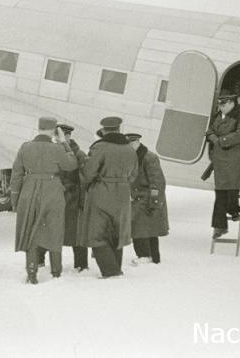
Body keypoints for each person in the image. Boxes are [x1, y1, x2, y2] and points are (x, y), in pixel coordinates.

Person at [11, 116, 78, 284]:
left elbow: (17, 174)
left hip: (29, 190)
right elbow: (71, 165)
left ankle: (32, 272)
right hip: (52, 189)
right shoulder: (57, 148)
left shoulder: (25, 147)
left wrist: (16, 200)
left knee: (31, 230)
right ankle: (56, 272)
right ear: (54, 130)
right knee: (54, 229)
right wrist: (64, 143)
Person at [78, 116, 138, 278]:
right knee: (116, 235)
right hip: (123, 194)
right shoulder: (130, 149)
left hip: (102, 193)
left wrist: (88, 184)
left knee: (97, 234)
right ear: (119, 130)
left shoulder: (100, 147)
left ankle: (111, 271)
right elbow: (134, 175)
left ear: (104, 131)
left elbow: (88, 172)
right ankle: (114, 268)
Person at [206, 93, 240, 239]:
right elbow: (210, 131)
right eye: (219, 104)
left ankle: (223, 223)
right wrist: (215, 139)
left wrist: (221, 140)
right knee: (221, 193)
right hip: (220, 159)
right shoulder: (218, 116)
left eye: (223, 104)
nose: (220, 107)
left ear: (232, 103)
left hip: (235, 158)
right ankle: (231, 214)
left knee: (227, 191)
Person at [125, 133, 169, 265]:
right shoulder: (134, 157)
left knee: (143, 228)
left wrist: (154, 201)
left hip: (147, 197)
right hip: (138, 198)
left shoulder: (149, 157)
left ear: (137, 142)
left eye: (131, 143)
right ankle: (151, 257)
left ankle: (146, 255)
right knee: (146, 228)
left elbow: (157, 181)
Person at [57, 124, 89, 272]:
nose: (58, 138)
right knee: (51, 231)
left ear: (68, 136)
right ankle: (41, 261)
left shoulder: (79, 154)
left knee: (77, 234)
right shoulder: (53, 151)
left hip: (73, 200)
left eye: (61, 135)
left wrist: (80, 199)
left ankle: (81, 264)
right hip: (57, 198)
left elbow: (84, 178)